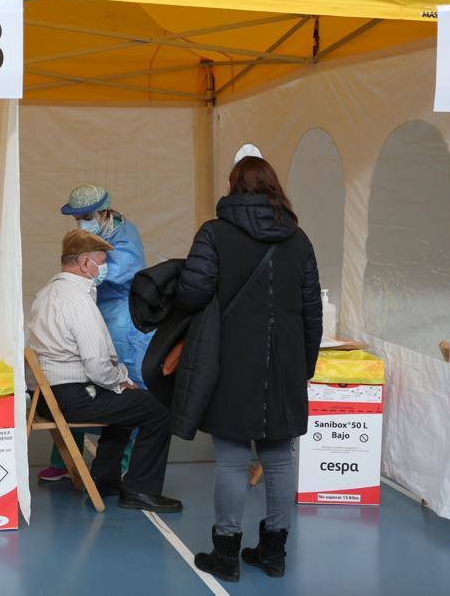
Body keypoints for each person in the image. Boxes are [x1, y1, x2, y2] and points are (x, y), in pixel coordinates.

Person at [176, 156, 322, 582]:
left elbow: (192, 292)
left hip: (232, 359)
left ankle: (226, 553)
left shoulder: (215, 233)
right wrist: (304, 365)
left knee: (232, 460)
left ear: (233, 186)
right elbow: (312, 310)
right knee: (279, 459)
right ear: (274, 187)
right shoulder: (299, 239)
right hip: (286, 362)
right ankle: (274, 553)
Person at [28, 230, 182, 513]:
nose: (104, 269)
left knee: (128, 407)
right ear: (85, 264)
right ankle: (141, 490)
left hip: (46, 397)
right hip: (74, 397)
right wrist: (121, 383)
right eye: (101, 261)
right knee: (159, 407)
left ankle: (105, 478)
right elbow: (98, 365)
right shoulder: (79, 301)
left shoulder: (48, 291)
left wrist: (118, 385)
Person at [38, 184, 153, 483]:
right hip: (91, 309)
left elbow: (119, 271)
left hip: (121, 317)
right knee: (97, 376)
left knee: (124, 383)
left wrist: (89, 269)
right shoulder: (75, 296)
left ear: (104, 212)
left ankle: (123, 463)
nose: (82, 222)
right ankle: (67, 460)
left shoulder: (127, 235)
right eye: (77, 218)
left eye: (86, 216)